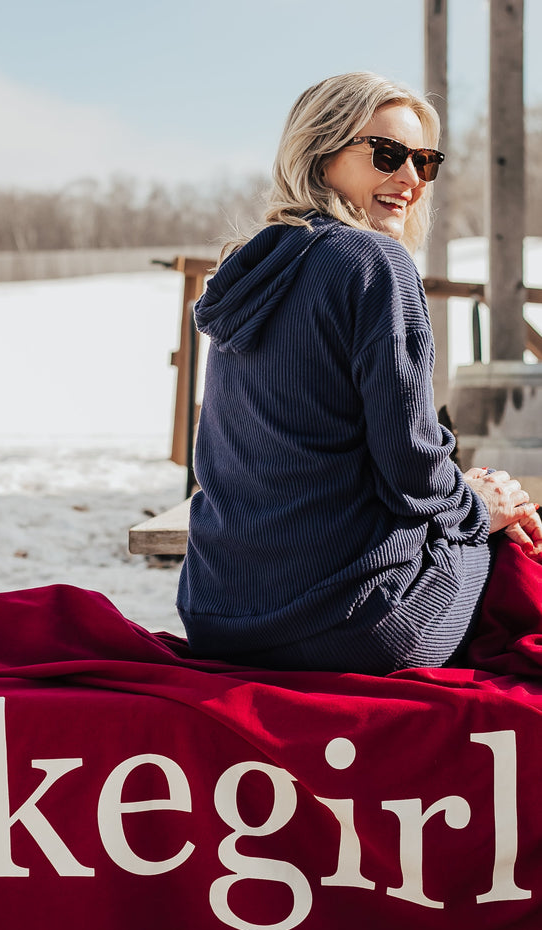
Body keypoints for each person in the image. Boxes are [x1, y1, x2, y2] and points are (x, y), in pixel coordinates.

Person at [176, 71, 542, 676]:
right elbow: (412, 470)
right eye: (387, 154)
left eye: (424, 161)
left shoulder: (253, 268)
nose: (410, 180)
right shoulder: (374, 263)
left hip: (221, 617)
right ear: (321, 156)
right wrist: (480, 507)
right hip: (352, 626)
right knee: (512, 551)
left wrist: (464, 495)